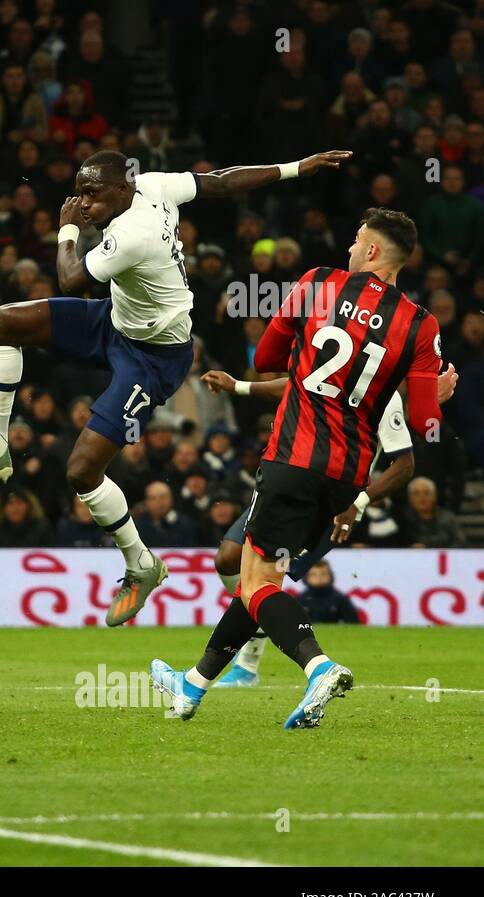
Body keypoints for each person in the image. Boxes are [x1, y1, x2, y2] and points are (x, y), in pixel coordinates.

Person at [0, 147, 353, 626]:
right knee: (4, 322)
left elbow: (70, 277)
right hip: (115, 321)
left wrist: (68, 227)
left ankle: (141, 565)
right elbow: (222, 179)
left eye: (91, 194)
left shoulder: (133, 234)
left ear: (119, 188)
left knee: (81, 472)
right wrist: (294, 166)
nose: (84, 203)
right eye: (79, 195)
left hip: (154, 358)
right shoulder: (153, 184)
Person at [151, 208, 454, 728]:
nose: (351, 247)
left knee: (257, 583)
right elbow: (426, 422)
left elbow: (269, 357)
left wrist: (307, 344)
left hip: (293, 458)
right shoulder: (422, 325)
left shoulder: (318, 283)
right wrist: (436, 393)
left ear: (374, 252)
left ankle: (318, 667)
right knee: (257, 577)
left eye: (358, 240)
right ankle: (192, 686)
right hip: (347, 478)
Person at [198, 365, 451, 687]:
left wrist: (357, 504)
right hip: (290, 484)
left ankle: (248, 667)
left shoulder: (383, 399)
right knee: (229, 559)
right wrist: (239, 386)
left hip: (330, 504)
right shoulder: (333, 371)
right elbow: (293, 385)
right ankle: (214, 673)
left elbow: (403, 465)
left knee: (261, 584)